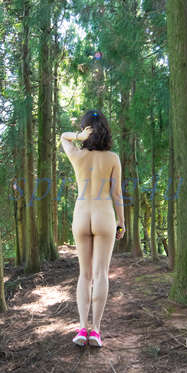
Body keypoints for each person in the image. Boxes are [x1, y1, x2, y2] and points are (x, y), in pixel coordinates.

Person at [60, 109, 125, 348]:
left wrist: (78, 136)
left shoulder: (77, 155)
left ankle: (81, 328)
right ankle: (95, 331)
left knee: (84, 275)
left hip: (81, 215)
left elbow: (63, 137)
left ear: (86, 129)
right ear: (105, 130)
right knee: (100, 275)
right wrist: (122, 222)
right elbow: (116, 194)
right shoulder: (112, 158)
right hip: (104, 215)